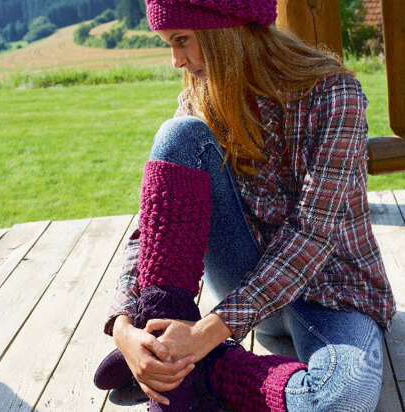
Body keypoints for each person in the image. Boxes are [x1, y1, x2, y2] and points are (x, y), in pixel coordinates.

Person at [94, 1, 396, 411]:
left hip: (334, 293)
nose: (175, 61)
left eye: (181, 40)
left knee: (344, 397)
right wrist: (125, 326)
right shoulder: (200, 98)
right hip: (245, 289)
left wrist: (202, 340)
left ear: (226, 31)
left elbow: (314, 234)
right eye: (169, 44)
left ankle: (206, 370)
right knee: (177, 136)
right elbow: (153, 228)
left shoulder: (335, 95)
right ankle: (167, 362)